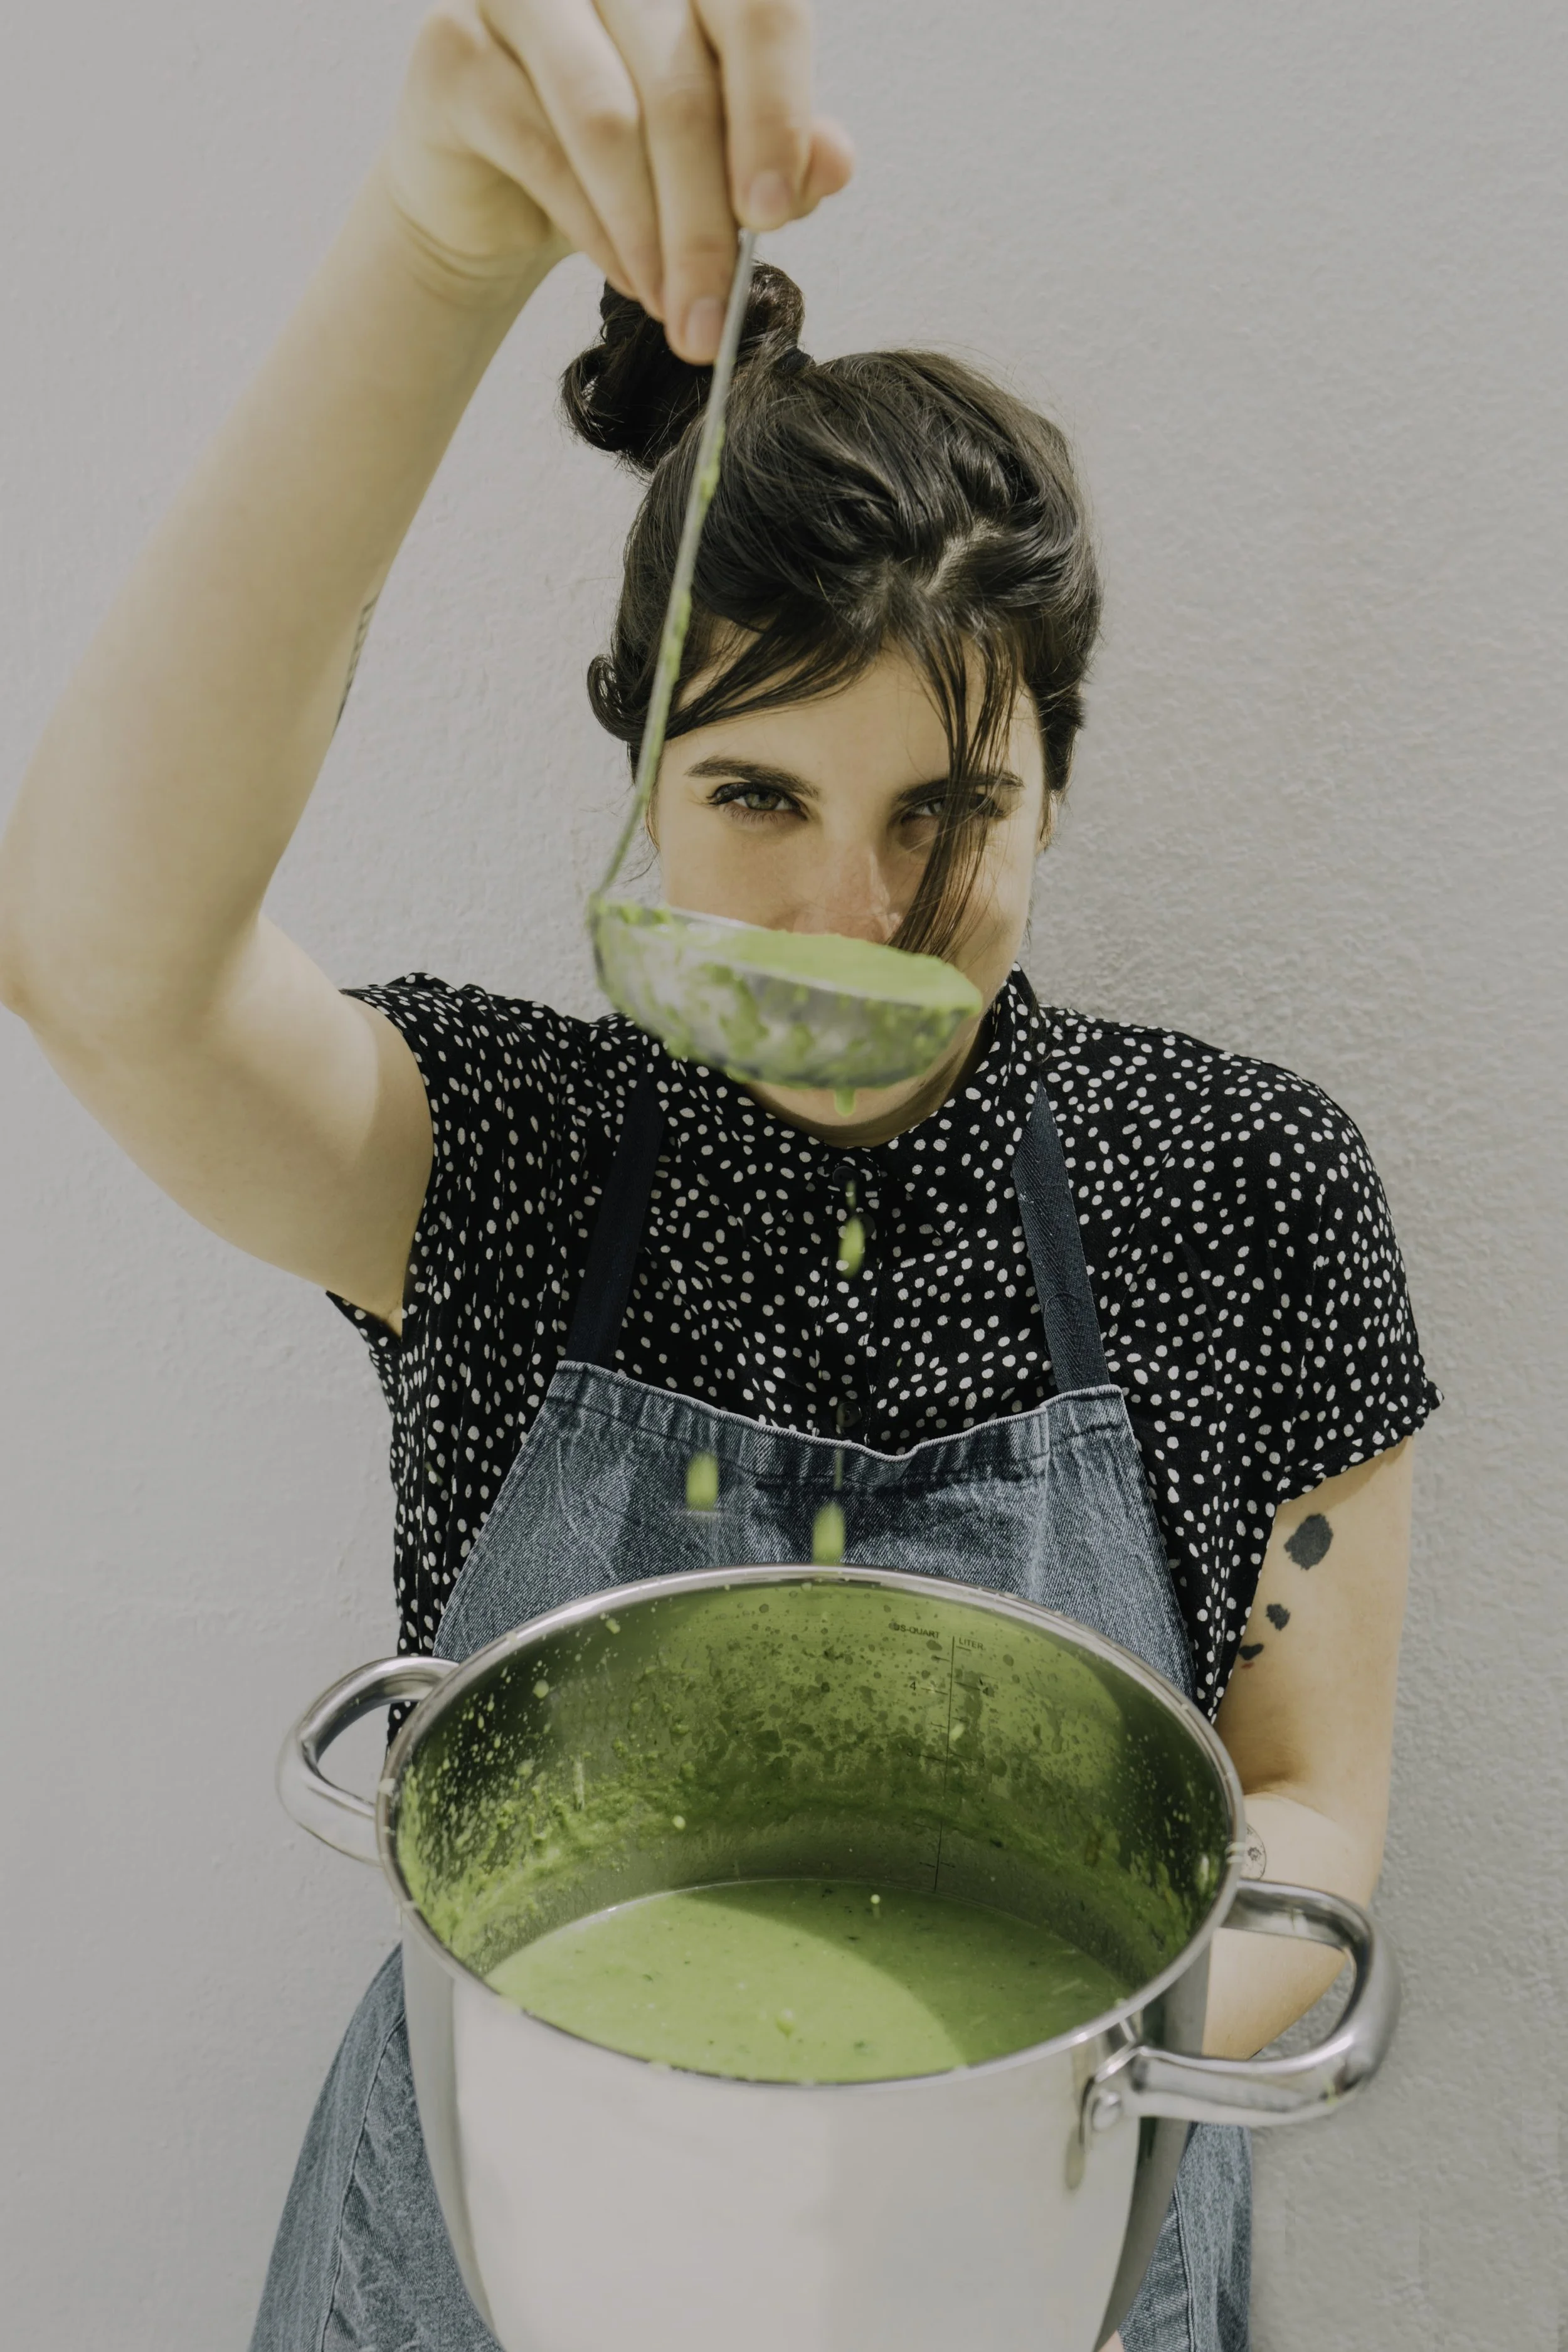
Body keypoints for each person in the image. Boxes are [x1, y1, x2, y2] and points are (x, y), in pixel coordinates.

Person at [0, 4, 1436, 2348]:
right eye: (757, 799)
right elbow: (91, 959)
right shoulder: (507, 1161)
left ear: (1054, 792)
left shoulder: (1241, 1182)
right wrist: (431, 241)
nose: (846, 916)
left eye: (944, 819)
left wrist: (992, 2114)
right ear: (640, 783)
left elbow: (1304, 1810)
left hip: (1042, 2247)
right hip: (491, 2250)